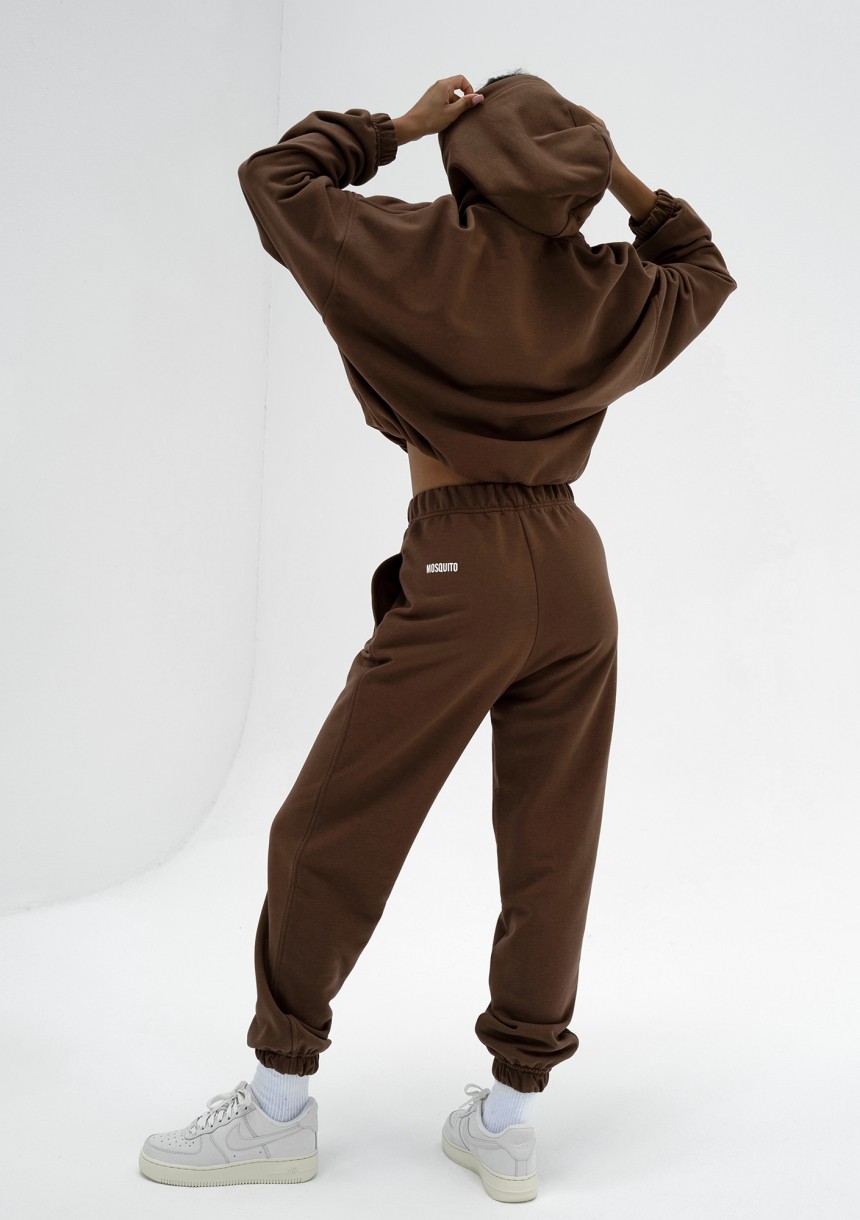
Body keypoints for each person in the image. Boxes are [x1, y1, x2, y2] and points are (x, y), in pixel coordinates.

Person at [139, 69, 737, 1201]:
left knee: (329, 824)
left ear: (471, 155)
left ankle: (276, 1105)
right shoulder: (604, 286)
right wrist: (609, 174)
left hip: (464, 563)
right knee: (551, 845)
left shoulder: (413, 250)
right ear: (568, 176)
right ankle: (508, 1118)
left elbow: (275, 179)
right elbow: (703, 266)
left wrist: (400, 128)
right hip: (575, 572)